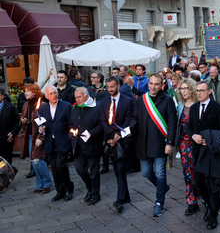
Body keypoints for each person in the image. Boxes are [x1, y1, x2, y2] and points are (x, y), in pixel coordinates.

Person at [186, 80, 220, 230]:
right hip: (198, 151)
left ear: (209, 91)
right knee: (198, 181)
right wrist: (193, 136)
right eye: (197, 90)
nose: (198, 93)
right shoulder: (193, 108)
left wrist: (210, 139)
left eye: (201, 90)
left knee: (213, 185)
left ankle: (213, 214)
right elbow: (189, 127)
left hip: (213, 151)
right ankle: (208, 204)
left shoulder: (218, 108)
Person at [130, 74, 177, 217]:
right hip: (143, 142)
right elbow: (135, 118)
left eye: (156, 84)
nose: (153, 86)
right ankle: (164, 188)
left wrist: (170, 143)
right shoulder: (142, 100)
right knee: (146, 172)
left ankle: (159, 203)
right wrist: (128, 129)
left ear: (162, 85)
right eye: (151, 83)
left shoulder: (167, 100)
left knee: (160, 173)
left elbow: (172, 123)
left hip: (160, 143)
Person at [100, 76, 134, 213]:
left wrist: (118, 136)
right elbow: (102, 120)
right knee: (117, 169)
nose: (109, 90)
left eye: (112, 87)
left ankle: (120, 199)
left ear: (118, 86)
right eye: (107, 87)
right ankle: (125, 196)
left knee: (120, 168)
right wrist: (111, 136)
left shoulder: (127, 101)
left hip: (123, 140)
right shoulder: (103, 101)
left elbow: (128, 120)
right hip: (110, 140)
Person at [38, 86, 74, 202]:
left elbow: (71, 124)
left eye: (55, 92)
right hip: (50, 142)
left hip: (62, 141)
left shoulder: (66, 106)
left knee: (61, 166)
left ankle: (69, 188)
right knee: (54, 168)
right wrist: (40, 130)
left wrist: (70, 139)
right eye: (51, 94)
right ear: (46, 96)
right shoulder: (43, 109)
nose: (54, 95)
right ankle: (60, 191)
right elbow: (41, 125)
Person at [70, 87, 103, 205]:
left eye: (79, 97)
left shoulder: (97, 107)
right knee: (80, 169)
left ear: (86, 95)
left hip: (92, 144)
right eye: (76, 98)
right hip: (78, 145)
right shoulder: (74, 108)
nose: (77, 100)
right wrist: (71, 132)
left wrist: (91, 133)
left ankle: (95, 194)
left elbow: (101, 125)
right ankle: (90, 188)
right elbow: (71, 124)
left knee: (94, 171)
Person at [20, 84, 52, 193]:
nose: (25, 93)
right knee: (34, 161)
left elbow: (44, 125)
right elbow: (25, 123)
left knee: (38, 160)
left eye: (28, 91)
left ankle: (47, 183)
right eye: (25, 91)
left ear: (34, 92)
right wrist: (23, 122)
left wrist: (40, 138)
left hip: (38, 136)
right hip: (29, 136)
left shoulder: (42, 105)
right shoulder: (25, 105)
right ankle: (40, 185)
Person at [175, 78, 200, 215]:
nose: (184, 91)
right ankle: (191, 202)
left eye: (186, 88)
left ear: (192, 89)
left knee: (201, 173)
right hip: (184, 144)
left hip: (198, 143)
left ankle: (204, 197)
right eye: (181, 89)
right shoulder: (179, 105)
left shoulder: (199, 104)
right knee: (188, 174)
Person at [0, 88, 20, 167]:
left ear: (2, 96)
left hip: (6, 141)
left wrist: (13, 133)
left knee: (5, 164)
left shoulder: (10, 107)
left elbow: (17, 122)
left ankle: (5, 178)